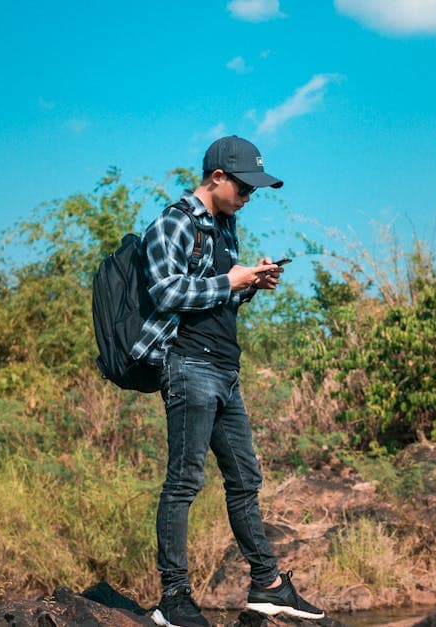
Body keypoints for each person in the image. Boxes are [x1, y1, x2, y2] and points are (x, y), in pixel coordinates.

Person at [134, 135, 325, 627]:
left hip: (224, 369)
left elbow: (216, 298)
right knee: (184, 482)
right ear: (217, 177)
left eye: (253, 190)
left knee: (245, 479)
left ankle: (268, 585)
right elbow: (166, 291)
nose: (248, 196)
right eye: (243, 187)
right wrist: (232, 281)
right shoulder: (172, 222)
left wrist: (249, 285)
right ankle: (173, 599)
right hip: (187, 366)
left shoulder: (225, 227)